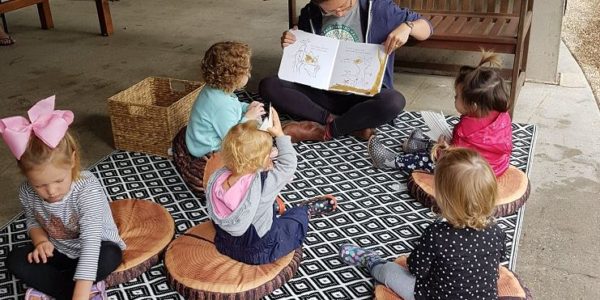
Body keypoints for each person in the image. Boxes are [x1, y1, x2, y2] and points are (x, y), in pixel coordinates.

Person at [339, 147, 507, 300]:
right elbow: (498, 260)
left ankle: (371, 260)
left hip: (430, 295)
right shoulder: (497, 232)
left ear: (442, 198)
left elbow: (416, 269)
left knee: (388, 271)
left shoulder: (437, 234)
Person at [2, 96, 126, 300]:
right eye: (39, 185)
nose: (51, 191)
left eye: (59, 181)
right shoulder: (26, 191)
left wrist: (81, 292)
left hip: (95, 249)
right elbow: (33, 221)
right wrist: (41, 242)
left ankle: (70, 288)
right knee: (15, 260)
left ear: (73, 160)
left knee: (110, 255)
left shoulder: (87, 189)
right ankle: (77, 289)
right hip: (59, 251)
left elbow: (91, 241)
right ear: (26, 175)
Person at [259, 0, 433, 143]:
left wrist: (407, 26)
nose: (340, 14)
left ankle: (325, 131)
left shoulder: (378, 9)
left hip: (363, 96)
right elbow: (304, 55)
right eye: (330, 12)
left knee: (394, 101)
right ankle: (348, 124)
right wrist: (291, 44)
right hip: (323, 93)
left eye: (344, 6)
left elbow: (426, 28)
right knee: (269, 85)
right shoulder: (310, 13)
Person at [205, 108, 337, 264]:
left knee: (263, 204)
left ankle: (271, 207)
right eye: (269, 152)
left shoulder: (217, 177)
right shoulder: (264, 182)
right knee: (291, 225)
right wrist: (280, 134)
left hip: (225, 243)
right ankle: (307, 210)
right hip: (257, 250)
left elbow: (239, 145)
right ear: (262, 161)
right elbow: (288, 165)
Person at [368, 52, 513, 177]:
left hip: (472, 174)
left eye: (457, 97)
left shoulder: (467, 129)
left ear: (473, 105)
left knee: (430, 160)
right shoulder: (502, 115)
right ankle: (416, 145)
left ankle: (392, 161)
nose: (454, 99)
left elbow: (455, 158)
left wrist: (444, 149)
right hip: (497, 166)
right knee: (441, 144)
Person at [185, 41, 266, 159]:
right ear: (233, 78)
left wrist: (246, 107)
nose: (249, 74)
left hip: (206, 139)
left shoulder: (214, 91)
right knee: (258, 145)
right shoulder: (221, 106)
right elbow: (233, 138)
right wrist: (249, 117)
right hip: (211, 149)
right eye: (246, 71)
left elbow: (234, 105)